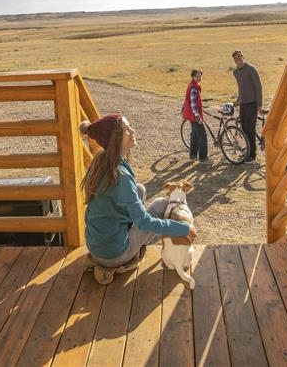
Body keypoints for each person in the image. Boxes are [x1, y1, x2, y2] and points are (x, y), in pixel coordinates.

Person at [80, 113, 197, 284]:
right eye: (127, 129)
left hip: (96, 245)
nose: (133, 131)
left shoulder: (99, 162)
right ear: (116, 138)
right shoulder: (120, 176)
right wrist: (183, 229)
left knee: (140, 189)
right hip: (114, 254)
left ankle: (113, 254)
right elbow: (145, 222)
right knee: (161, 204)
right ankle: (125, 259)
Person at [231, 50, 263, 162]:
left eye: (239, 57)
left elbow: (258, 87)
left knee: (250, 129)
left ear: (243, 57)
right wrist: (238, 100)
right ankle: (247, 152)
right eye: (235, 58)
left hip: (252, 104)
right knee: (243, 130)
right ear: (234, 60)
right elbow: (241, 88)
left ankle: (252, 155)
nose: (238, 59)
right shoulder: (236, 72)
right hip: (243, 104)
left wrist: (259, 105)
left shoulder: (251, 69)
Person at [181, 68, 211, 165]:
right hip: (194, 115)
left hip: (190, 114)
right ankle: (203, 158)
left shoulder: (193, 85)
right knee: (202, 135)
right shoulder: (194, 88)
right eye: (197, 76)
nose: (199, 78)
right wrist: (198, 116)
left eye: (200, 76)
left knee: (194, 135)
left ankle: (193, 156)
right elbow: (193, 103)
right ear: (193, 76)